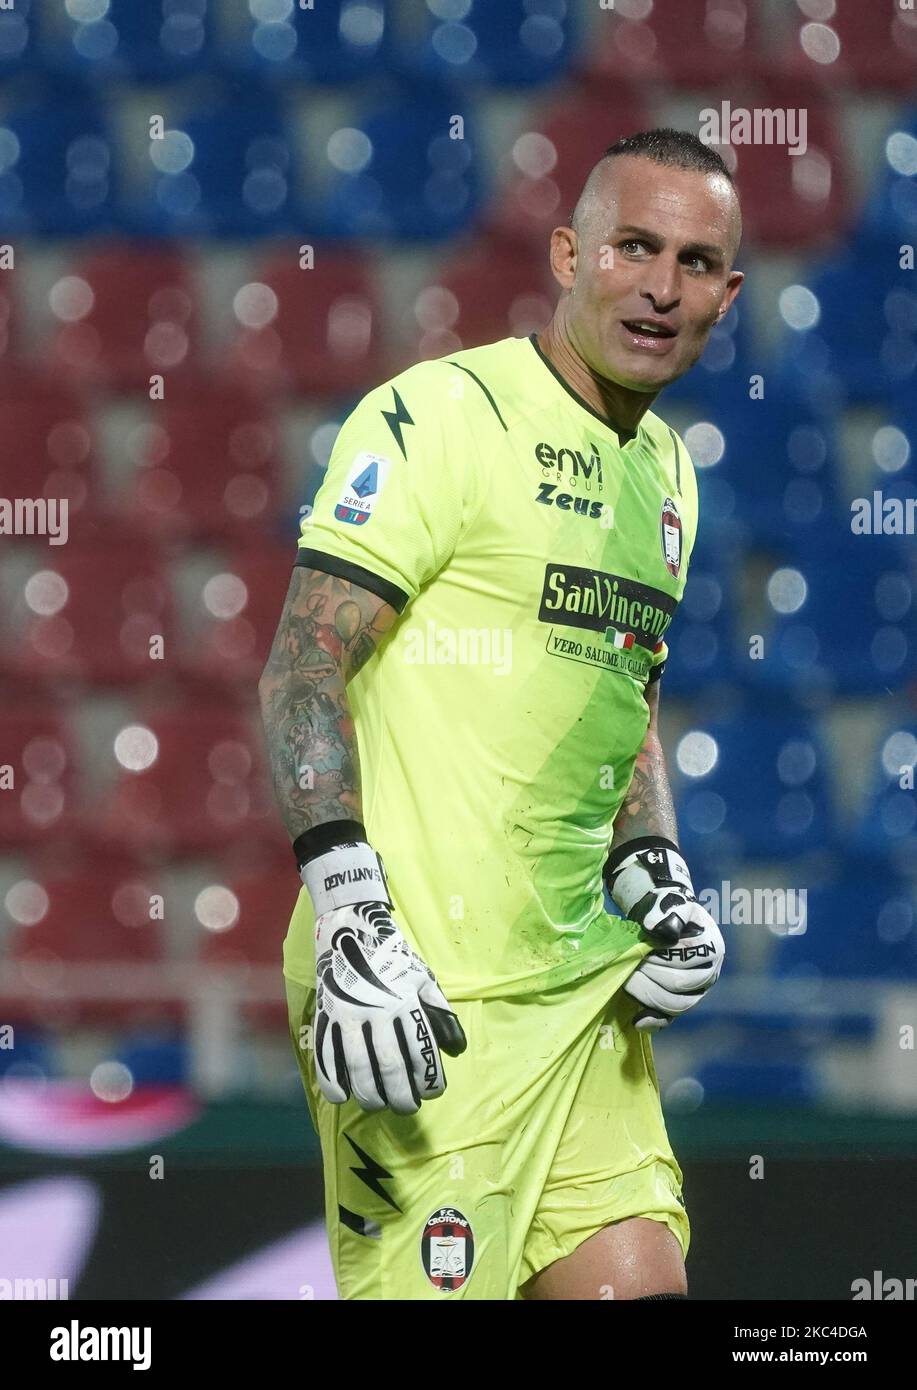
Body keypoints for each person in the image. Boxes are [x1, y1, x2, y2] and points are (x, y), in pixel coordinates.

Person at [259, 128, 742, 1300]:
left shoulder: (667, 474)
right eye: (633, 246)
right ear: (570, 252)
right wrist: (351, 920)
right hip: (422, 1004)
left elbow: (625, 695)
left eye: (693, 262)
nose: (659, 287)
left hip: (582, 1001)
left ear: (725, 297)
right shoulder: (439, 416)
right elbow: (301, 668)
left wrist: (654, 871)